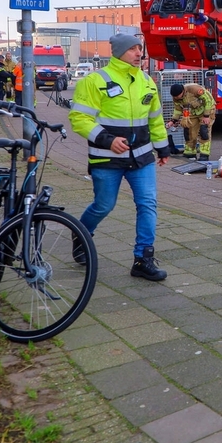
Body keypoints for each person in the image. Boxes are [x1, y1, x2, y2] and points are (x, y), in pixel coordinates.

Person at [69, 34, 169, 281]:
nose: (138, 53)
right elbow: (79, 119)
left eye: (140, 49)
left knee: (147, 203)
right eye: (133, 49)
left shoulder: (146, 81)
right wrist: (107, 139)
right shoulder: (95, 81)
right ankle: (81, 234)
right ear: (120, 52)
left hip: (142, 158)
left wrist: (164, 148)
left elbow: (155, 118)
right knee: (104, 205)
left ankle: (143, 259)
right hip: (107, 158)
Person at [168, 83, 215, 161]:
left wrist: (206, 116)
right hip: (194, 111)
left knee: (204, 131)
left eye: (177, 96)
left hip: (207, 109)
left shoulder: (195, 90)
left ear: (183, 91)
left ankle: (204, 154)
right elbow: (178, 109)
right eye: (174, 96)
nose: (176, 98)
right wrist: (173, 121)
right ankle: (190, 153)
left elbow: (208, 101)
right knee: (188, 130)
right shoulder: (175, 97)